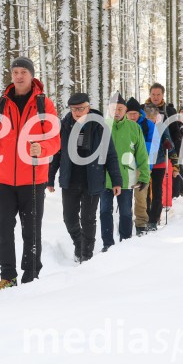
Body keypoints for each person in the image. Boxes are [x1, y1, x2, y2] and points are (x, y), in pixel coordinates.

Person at [0, 58, 60, 290]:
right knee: (3, 228)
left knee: (31, 229)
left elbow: (55, 139)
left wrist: (43, 148)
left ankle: (30, 275)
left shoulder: (44, 105)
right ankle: (8, 276)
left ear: (31, 75)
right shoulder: (0, 104)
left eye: (23, 72)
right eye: (15, 72)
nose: (18, 76)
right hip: (5, 180)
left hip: (34, 179)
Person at [48, 93, 122, 261]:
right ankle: (79, 243)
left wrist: (116, 180)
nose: (77, 112)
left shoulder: (100, 126)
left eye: (81, 108)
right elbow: (57, 153)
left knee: (88, 219)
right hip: (70, 179)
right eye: (74, 109)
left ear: (88, 108)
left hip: (92, 179)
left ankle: (86, 255)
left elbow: (110, 155)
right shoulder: (64, 125)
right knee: (69, 218)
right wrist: (50, 177)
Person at [99, 94, 149, 250]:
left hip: (126, 179)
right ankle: (108, 244)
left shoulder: (134, 128)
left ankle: (125, 243)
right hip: (104, 179)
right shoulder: (102, 126)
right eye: (114, 108)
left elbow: (141, 154)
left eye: (120, 109)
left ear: (125, 110)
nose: (116, 111)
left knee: (126, 213)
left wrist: (145, 177)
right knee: (105, 212)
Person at [143, 103, 176, 231]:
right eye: (148, 116)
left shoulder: (161, 126)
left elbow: (169, 142)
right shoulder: (142, 125)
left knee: (157, 190)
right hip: (144, 162)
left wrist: (168, 143)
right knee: (144, 190)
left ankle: (154, 219)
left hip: (159, 161)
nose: (151, 119)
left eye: (153, 116)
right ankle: (145, 216)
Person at [126, 98, 151, 235]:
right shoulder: (122, 126)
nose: (132, 116)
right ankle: (126, 222)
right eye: (130, 114)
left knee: (141, 197)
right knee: (125, 197)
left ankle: (141, 224)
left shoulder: (147, 125)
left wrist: (148, 167)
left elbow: (152, 145)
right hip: (126, 166)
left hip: (142, 165)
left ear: (139, 114)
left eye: (135, 114)